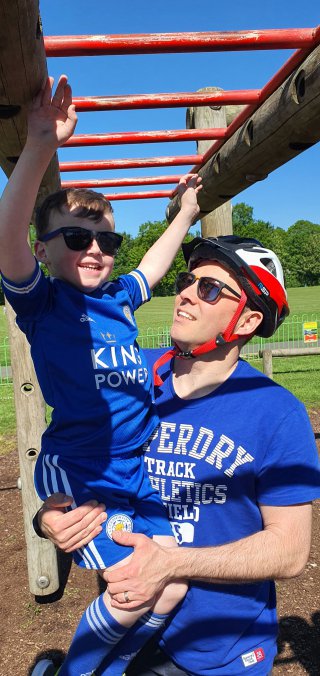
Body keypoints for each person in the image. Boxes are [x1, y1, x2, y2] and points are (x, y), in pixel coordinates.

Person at [37, 235, 320, 676]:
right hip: (128, 618)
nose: (184, 292)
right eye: (188, 279)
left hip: (218, 650)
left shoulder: (276, 412)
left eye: (208, 289)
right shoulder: (130, 374)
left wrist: (174, 564)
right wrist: (49, 517)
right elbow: (71, 447)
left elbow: (290, 550)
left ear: (246, 320)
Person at [0, 74, 203, 676]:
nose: (94, 249)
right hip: (84, 469)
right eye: (76, 237)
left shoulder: (116, 299)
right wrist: (40, 145)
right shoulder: (43, 302)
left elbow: (157, 262)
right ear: (44, 250)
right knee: (132, 587)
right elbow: (8, 236)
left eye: (105, 239)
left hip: (139, 467)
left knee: (170, 586)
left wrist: (187, 212)